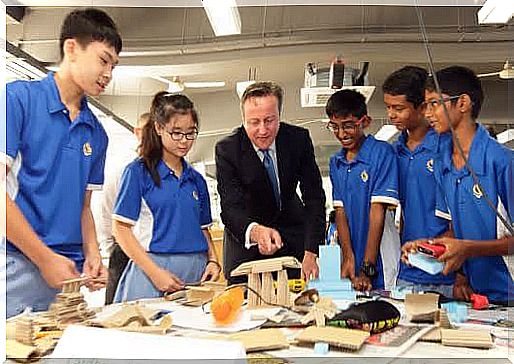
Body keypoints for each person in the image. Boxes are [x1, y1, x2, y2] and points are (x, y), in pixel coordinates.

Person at [2, 8, 122, 318]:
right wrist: (43, 258)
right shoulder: (18, 100)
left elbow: (84, 206)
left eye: (114, 65)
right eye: (103, 60)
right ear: (71, 48)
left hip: (66, 275)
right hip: (16, 264)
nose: (109, 73)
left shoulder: (97, 133)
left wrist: (92, 252)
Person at [404, 66, 513, 304]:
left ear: (463, 103)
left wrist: (466, 249)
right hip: (479, 297)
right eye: (426, 105)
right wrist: (428, 247)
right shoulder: (444, 163)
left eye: (434, 103)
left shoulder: (502, 162)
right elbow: (456, 229)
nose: (428, 114)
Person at [112, 92, 221, 302]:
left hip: (196, 271)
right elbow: (120, 229)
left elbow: (202, 229)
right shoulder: (138, 173)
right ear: (159, 128)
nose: (184, 141)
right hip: (153, 270)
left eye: (190, 133)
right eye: (177, 133)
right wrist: (155, 273)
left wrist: (213, 261)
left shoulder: (196, 179)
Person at [215, 81, 326, 284]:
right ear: (243, 120)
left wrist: (312, 250)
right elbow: (231, 207)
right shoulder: (227, 150)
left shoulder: (298, 140)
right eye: (254, 122)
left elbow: (314, 197)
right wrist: (255, 231)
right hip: (246, 243)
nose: (263, 130)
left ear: (279, 116)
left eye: (269, 120)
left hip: (293, 240)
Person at [383, 66, 465, 298]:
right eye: (388, 107)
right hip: (408, 270)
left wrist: (463, 273)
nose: (391, 114)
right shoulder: (393, 152)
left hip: (448, 271)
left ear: (422, 108)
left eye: (398, 108)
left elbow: (464, 214)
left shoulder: (447, 147)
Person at [327, 89, 399, 291]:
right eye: (335, 126)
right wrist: (349, 257)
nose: (341, 134)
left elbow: (378, 211)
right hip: (353, 257)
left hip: (380, 260)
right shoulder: (336, 162)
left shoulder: (382, 153)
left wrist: (368, 267)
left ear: (365, 122)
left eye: (348, 126)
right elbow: (340, 212)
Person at [98, 112, 150, 305]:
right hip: (123, 251)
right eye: (148, 131)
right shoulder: (123, 167)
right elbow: (105, 209)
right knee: (116, 312)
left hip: (151, 252)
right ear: (138, 133)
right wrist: (110, 247)